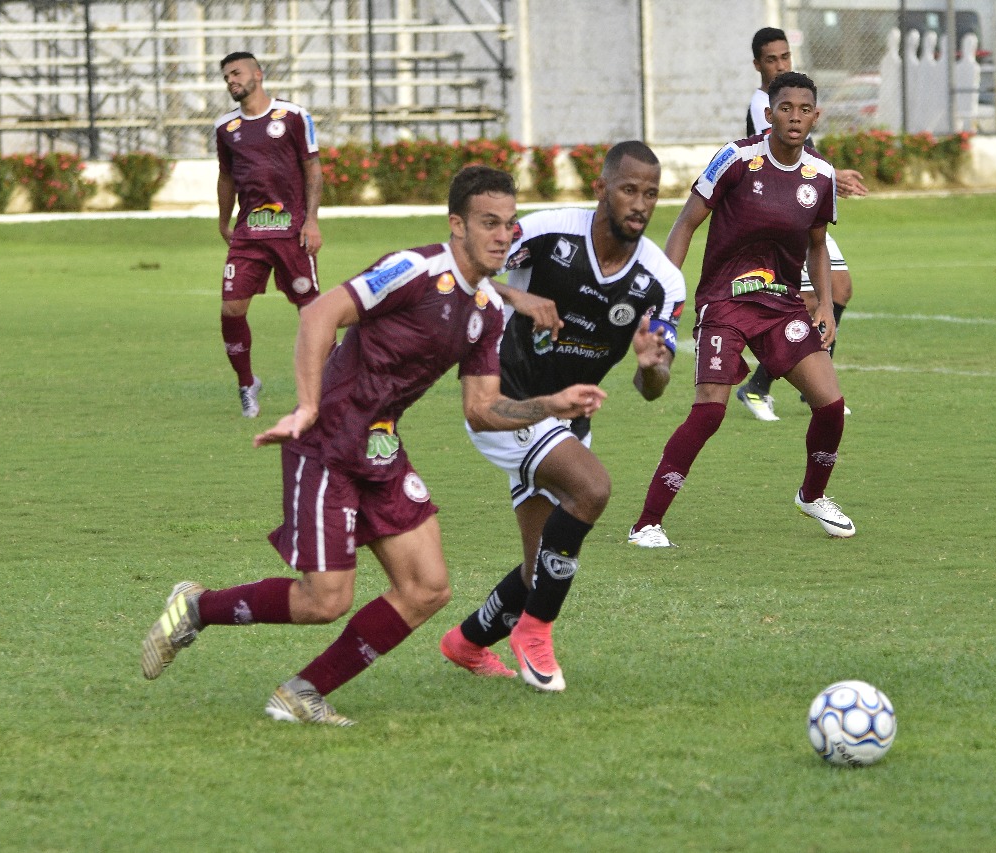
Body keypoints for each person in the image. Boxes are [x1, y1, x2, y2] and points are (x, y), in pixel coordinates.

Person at [140, 166, 608, 726]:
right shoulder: (413, 269)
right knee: (325, 601)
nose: (503, 235)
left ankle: (301, 693)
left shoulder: (484, 310)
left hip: (381, 446)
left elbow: (483, 411)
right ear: (456, 225)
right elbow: (319, 314)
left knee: (427, 587)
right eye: (489, 223)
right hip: (327, 441)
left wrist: (552, 405)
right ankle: (198, 606)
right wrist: (308, 406)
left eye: (509, 224)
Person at [438, 142, 685, 693]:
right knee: (593, 488)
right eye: (628, 189)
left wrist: (650, 366)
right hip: (505, 397)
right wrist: (516, 298)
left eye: (650, 193)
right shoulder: (548, 232)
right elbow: (459, 267)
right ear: (601, 189)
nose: (640, 203)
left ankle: (468, 642)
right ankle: (535, 633)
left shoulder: (663, 283)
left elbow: (654, 388)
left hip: (567, 419)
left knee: (540, 564)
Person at [627, 71, 855, 548]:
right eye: (785, 108)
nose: (795, 117)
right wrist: (667, 296)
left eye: (804, 109)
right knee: (710, 412)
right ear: (768, 113)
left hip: (782, 305)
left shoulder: (822, 176)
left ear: (816, 116)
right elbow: (685, 224)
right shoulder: (735, 158)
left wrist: (827, 308)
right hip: (725, 301)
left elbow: (817, 244)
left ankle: (812, 496)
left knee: (830, 407)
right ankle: (647, 522)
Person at [738, 27, 862, 421]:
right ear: (757, 64)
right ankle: (759, 388)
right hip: (780, 211)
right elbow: (791, 149)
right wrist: (832, 172)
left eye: (785, 57)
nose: (780, 64)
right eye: (771, 59)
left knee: (838, 289)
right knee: (806, 301)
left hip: (802, 208)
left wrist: (828, 173)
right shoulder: (765, 104)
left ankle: (813, 391)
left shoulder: (792, 95)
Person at [214, 51, 323, 418]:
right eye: (226, 76)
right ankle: (247, 384)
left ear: (257, 74)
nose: (231, 80)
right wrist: (223, 220)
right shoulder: (225, 128)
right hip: (248, 233)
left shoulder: (292, 116)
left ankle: (331, 385)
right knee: (231, 309)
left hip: (292, 232)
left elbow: (312, 169)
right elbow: (226, 176)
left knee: (312, 314)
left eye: (237, 73)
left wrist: (312, 221)